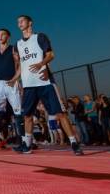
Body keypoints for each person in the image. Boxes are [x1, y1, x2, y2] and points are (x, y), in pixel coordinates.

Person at [12, 15, 71, 154]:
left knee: (60, 113)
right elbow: (21, 65)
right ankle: (27, 145)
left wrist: (41, 64)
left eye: (22, 20)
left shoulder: (40, 37)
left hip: (44, 81)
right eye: (18, 22)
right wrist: (14, 79)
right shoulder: (17, 44)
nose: (19, 23)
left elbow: (51, 55)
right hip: (28, 85)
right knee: (27, 116)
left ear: (30, 23)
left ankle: (74, 142)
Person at [0, 28, 23, 151]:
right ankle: (0, 139)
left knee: (18, 112)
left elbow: (20, 65)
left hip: (11, 82)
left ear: (8, 36)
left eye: (3, 34)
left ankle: (24, 140)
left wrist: (16, 79)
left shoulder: (13, 49)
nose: (0, 36)